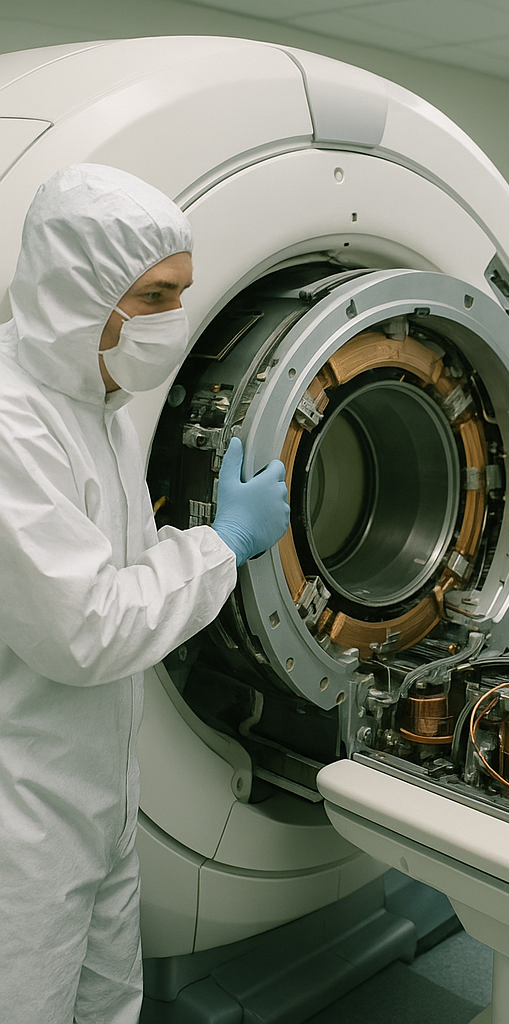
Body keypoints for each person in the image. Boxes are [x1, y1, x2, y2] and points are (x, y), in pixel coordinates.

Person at [0, 164, 291, 1023]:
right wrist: (222, 544)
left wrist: (185, 545)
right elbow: (84, 628)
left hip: (95, 781)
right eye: (156, 295)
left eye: (181, 293)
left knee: (107, 999)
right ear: (78, 291)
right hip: (22, 806)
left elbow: (114, 564)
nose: (175, 320)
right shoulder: (13, 425)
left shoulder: (99, 404)